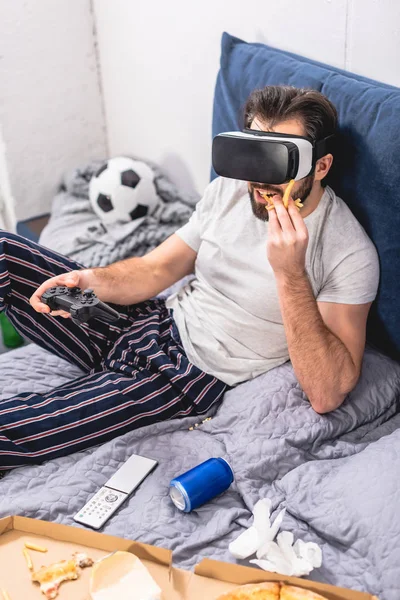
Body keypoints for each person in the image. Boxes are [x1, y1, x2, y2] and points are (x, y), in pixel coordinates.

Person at [0, 86, 379, 469]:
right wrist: (90, 279)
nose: (260, 181)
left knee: (18, 428)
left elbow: (326, 393)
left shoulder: (347, 251)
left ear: (321, 166)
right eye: (252, 154)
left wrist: (290, 273)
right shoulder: (229, 191)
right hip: (148, 321)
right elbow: (157, 268)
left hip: (185, 376)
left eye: (278, 160)